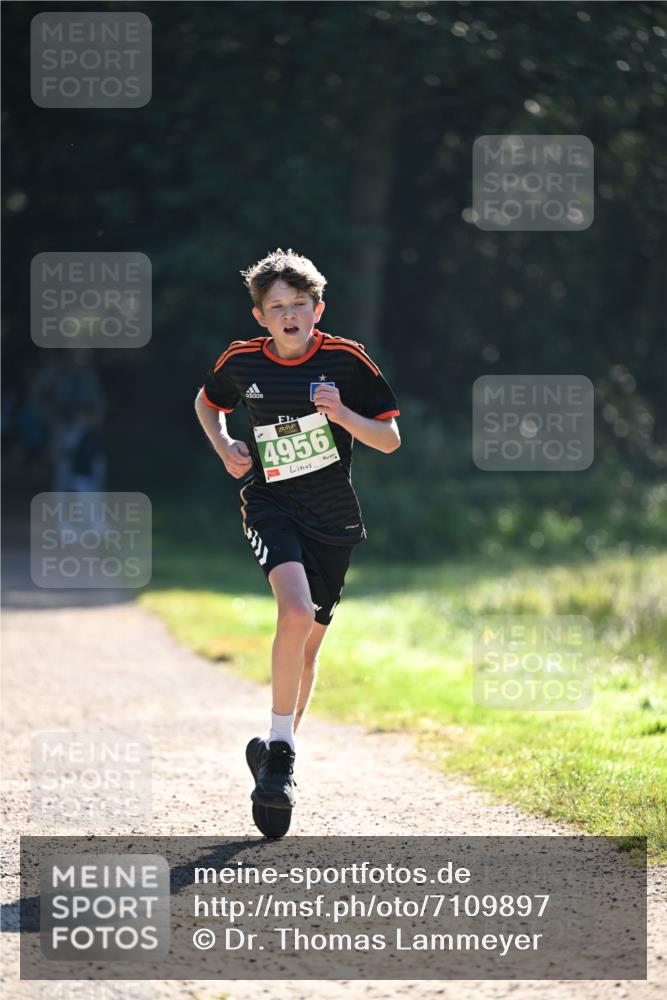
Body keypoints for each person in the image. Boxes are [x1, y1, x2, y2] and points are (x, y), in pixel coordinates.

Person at [194, 248, 400, 814]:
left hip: (333, 521)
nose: (289, 315)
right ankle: (282, 755)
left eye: (300, 304)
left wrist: (343, 415)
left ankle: (274, 748)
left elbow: (389, 440)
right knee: (294, 612)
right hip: (271, 504)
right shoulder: (241, 361)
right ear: (260, 316)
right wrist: (224, 444)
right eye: (277, 307)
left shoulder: (346, 360)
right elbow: (207, 403)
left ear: (318, 309)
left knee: (307, 653)